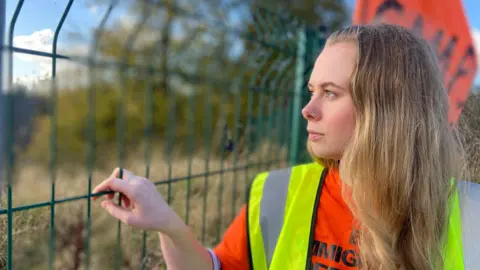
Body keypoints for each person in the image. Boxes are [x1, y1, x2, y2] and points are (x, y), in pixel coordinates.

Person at [91, 24, 480, 269]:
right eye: (312, 90)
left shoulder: (472, 218)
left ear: (387, 109)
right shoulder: (277, 194)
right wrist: (169, 226)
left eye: (330, 93)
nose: (307, 109)